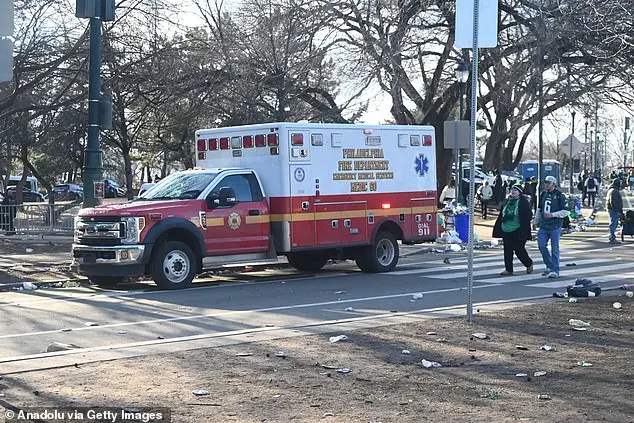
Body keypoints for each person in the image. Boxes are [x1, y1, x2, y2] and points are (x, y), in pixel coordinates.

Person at [493, 183, 534, 276]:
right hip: (506, 229)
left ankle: (528, 263)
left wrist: (525, 230)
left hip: (518, 229)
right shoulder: (507, 202)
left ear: (520, 193)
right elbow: (501, 213)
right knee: (507, 250)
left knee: (519, 250)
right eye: (512, 190)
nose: (513, 192)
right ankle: (509, 269)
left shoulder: (523, 202)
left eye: (515, 190)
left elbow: (528, 216)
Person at [534, 176, 569, 278]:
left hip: (555, 225)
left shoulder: (560, 196)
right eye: (546, 183)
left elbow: (566, 211)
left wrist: (553, 214)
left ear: (554, 184)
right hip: (544, 225)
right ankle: (549, 265)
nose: (546, 185)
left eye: (548, 183)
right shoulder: (543, 194)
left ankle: (555, 269)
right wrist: (535, 221)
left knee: (555, 248)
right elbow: (539, 208)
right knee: (541, 246)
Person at [606, 178, 624, 244]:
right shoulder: (614, 191)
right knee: (613, 223)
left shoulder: (612, 190)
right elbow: (613, 202)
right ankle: (612, 238)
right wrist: (617, 211)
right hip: (613, 209)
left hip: (611, 209)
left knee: (614, 223)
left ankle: (612, 237)